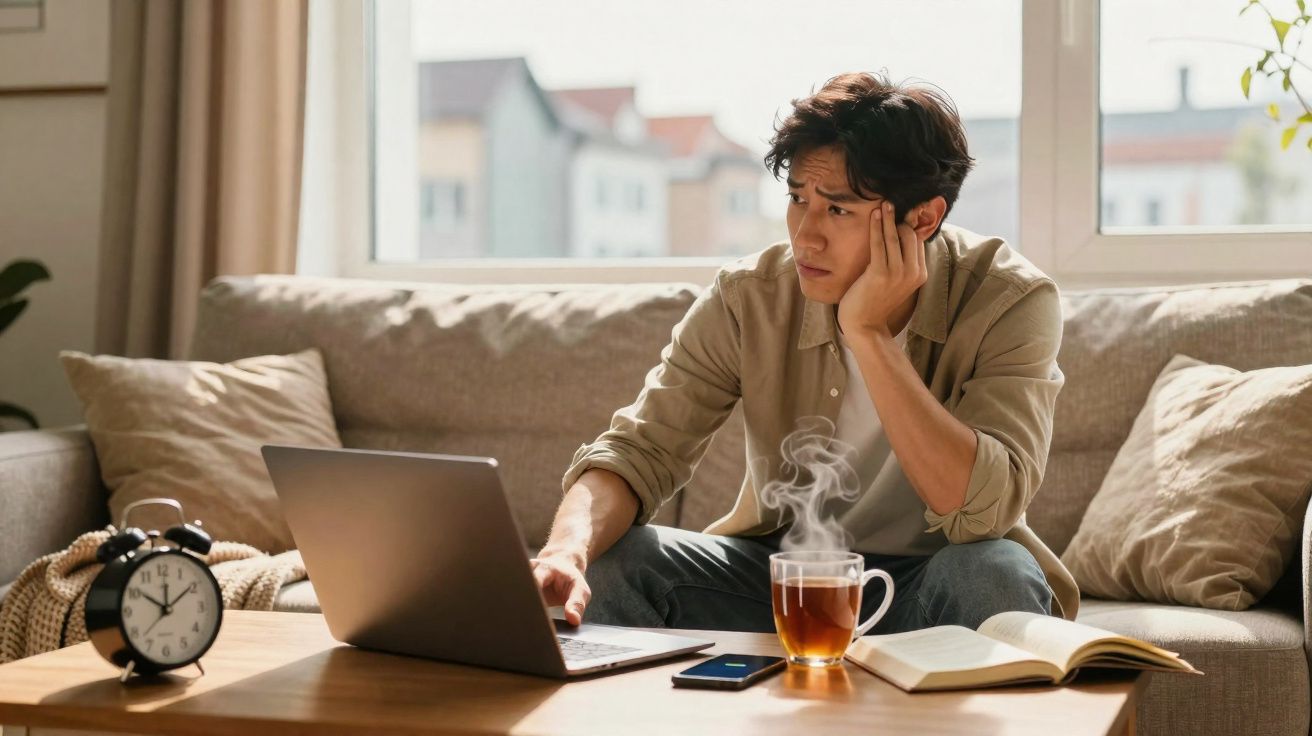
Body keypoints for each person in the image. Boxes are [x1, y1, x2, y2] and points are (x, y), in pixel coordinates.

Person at [530, 71, 1078, 636]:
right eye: (797, 199)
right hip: (783, 584)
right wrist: (565, 552)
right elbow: (638, 452)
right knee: (622, 560)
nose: (805, 236)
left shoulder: (1009, 298)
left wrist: (866, 333)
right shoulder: (750, 297)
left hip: (933, 587)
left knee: (995, 572)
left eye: (837, 210)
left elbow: (980, 513)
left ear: (922, 218)